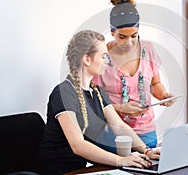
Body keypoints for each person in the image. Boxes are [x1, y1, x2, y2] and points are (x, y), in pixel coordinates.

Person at [38, 30, 160, 175]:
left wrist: (146, 150)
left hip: (83, 170)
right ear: (87, 59)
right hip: (58, 171)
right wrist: (120, 160)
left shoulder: (97, 92)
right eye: (103, 57)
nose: (108, 62)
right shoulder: (64, 93)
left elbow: (119, 126)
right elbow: (78, 145)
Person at [93, 0, 176, 148]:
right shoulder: (102, 56)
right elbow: (94, 101)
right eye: (122, 37)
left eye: (134, 36)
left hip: (147, 131)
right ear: (112, 32)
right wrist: (121, 108)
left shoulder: (148, 49)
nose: (129, 42)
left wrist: (164, 94)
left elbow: (155, 84)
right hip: (113, 134)